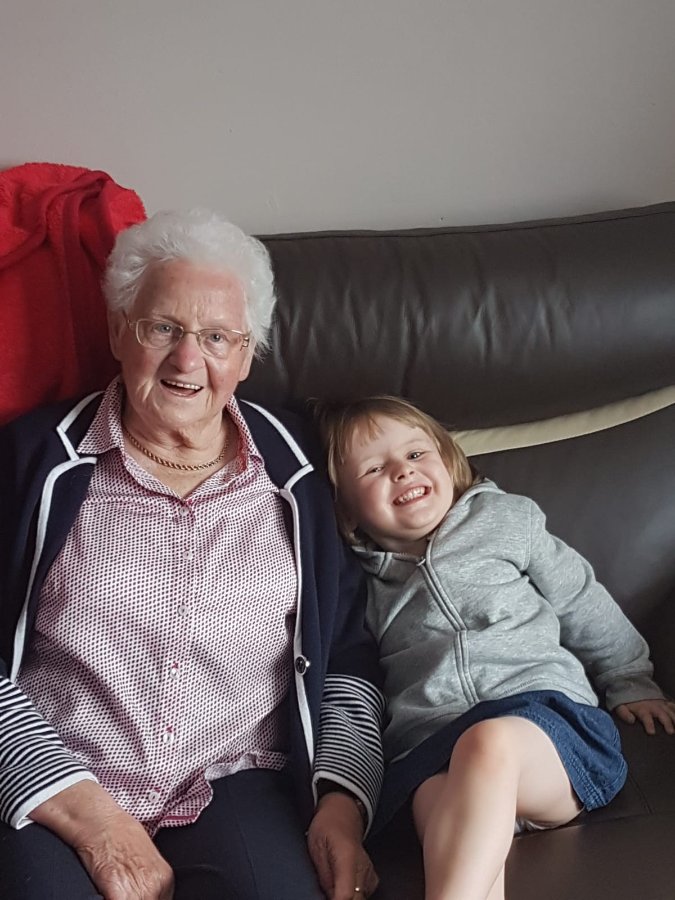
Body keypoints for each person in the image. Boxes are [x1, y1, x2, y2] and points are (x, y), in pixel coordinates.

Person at [0, 210, 385, 900]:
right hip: (59, 777)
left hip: (237, 779)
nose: (187, 360)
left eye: (216, 337)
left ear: (247, 354)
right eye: (162, 328)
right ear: (118, 331)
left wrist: (342, 804)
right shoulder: (29, 461)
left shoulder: (302, 472)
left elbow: (348, 658)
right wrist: (88, 816)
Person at [317, 395, 675, 900]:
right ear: (347, 511)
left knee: (486, 744)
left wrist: (628, 676)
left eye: (416, 454)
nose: (402, 470)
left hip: (544, 728)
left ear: (448, 460)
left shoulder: (506, 520)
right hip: (431, 751)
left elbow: (580, 598)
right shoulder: (360, 585)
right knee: (437, 804)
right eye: (374, 468)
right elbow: (356, 682)